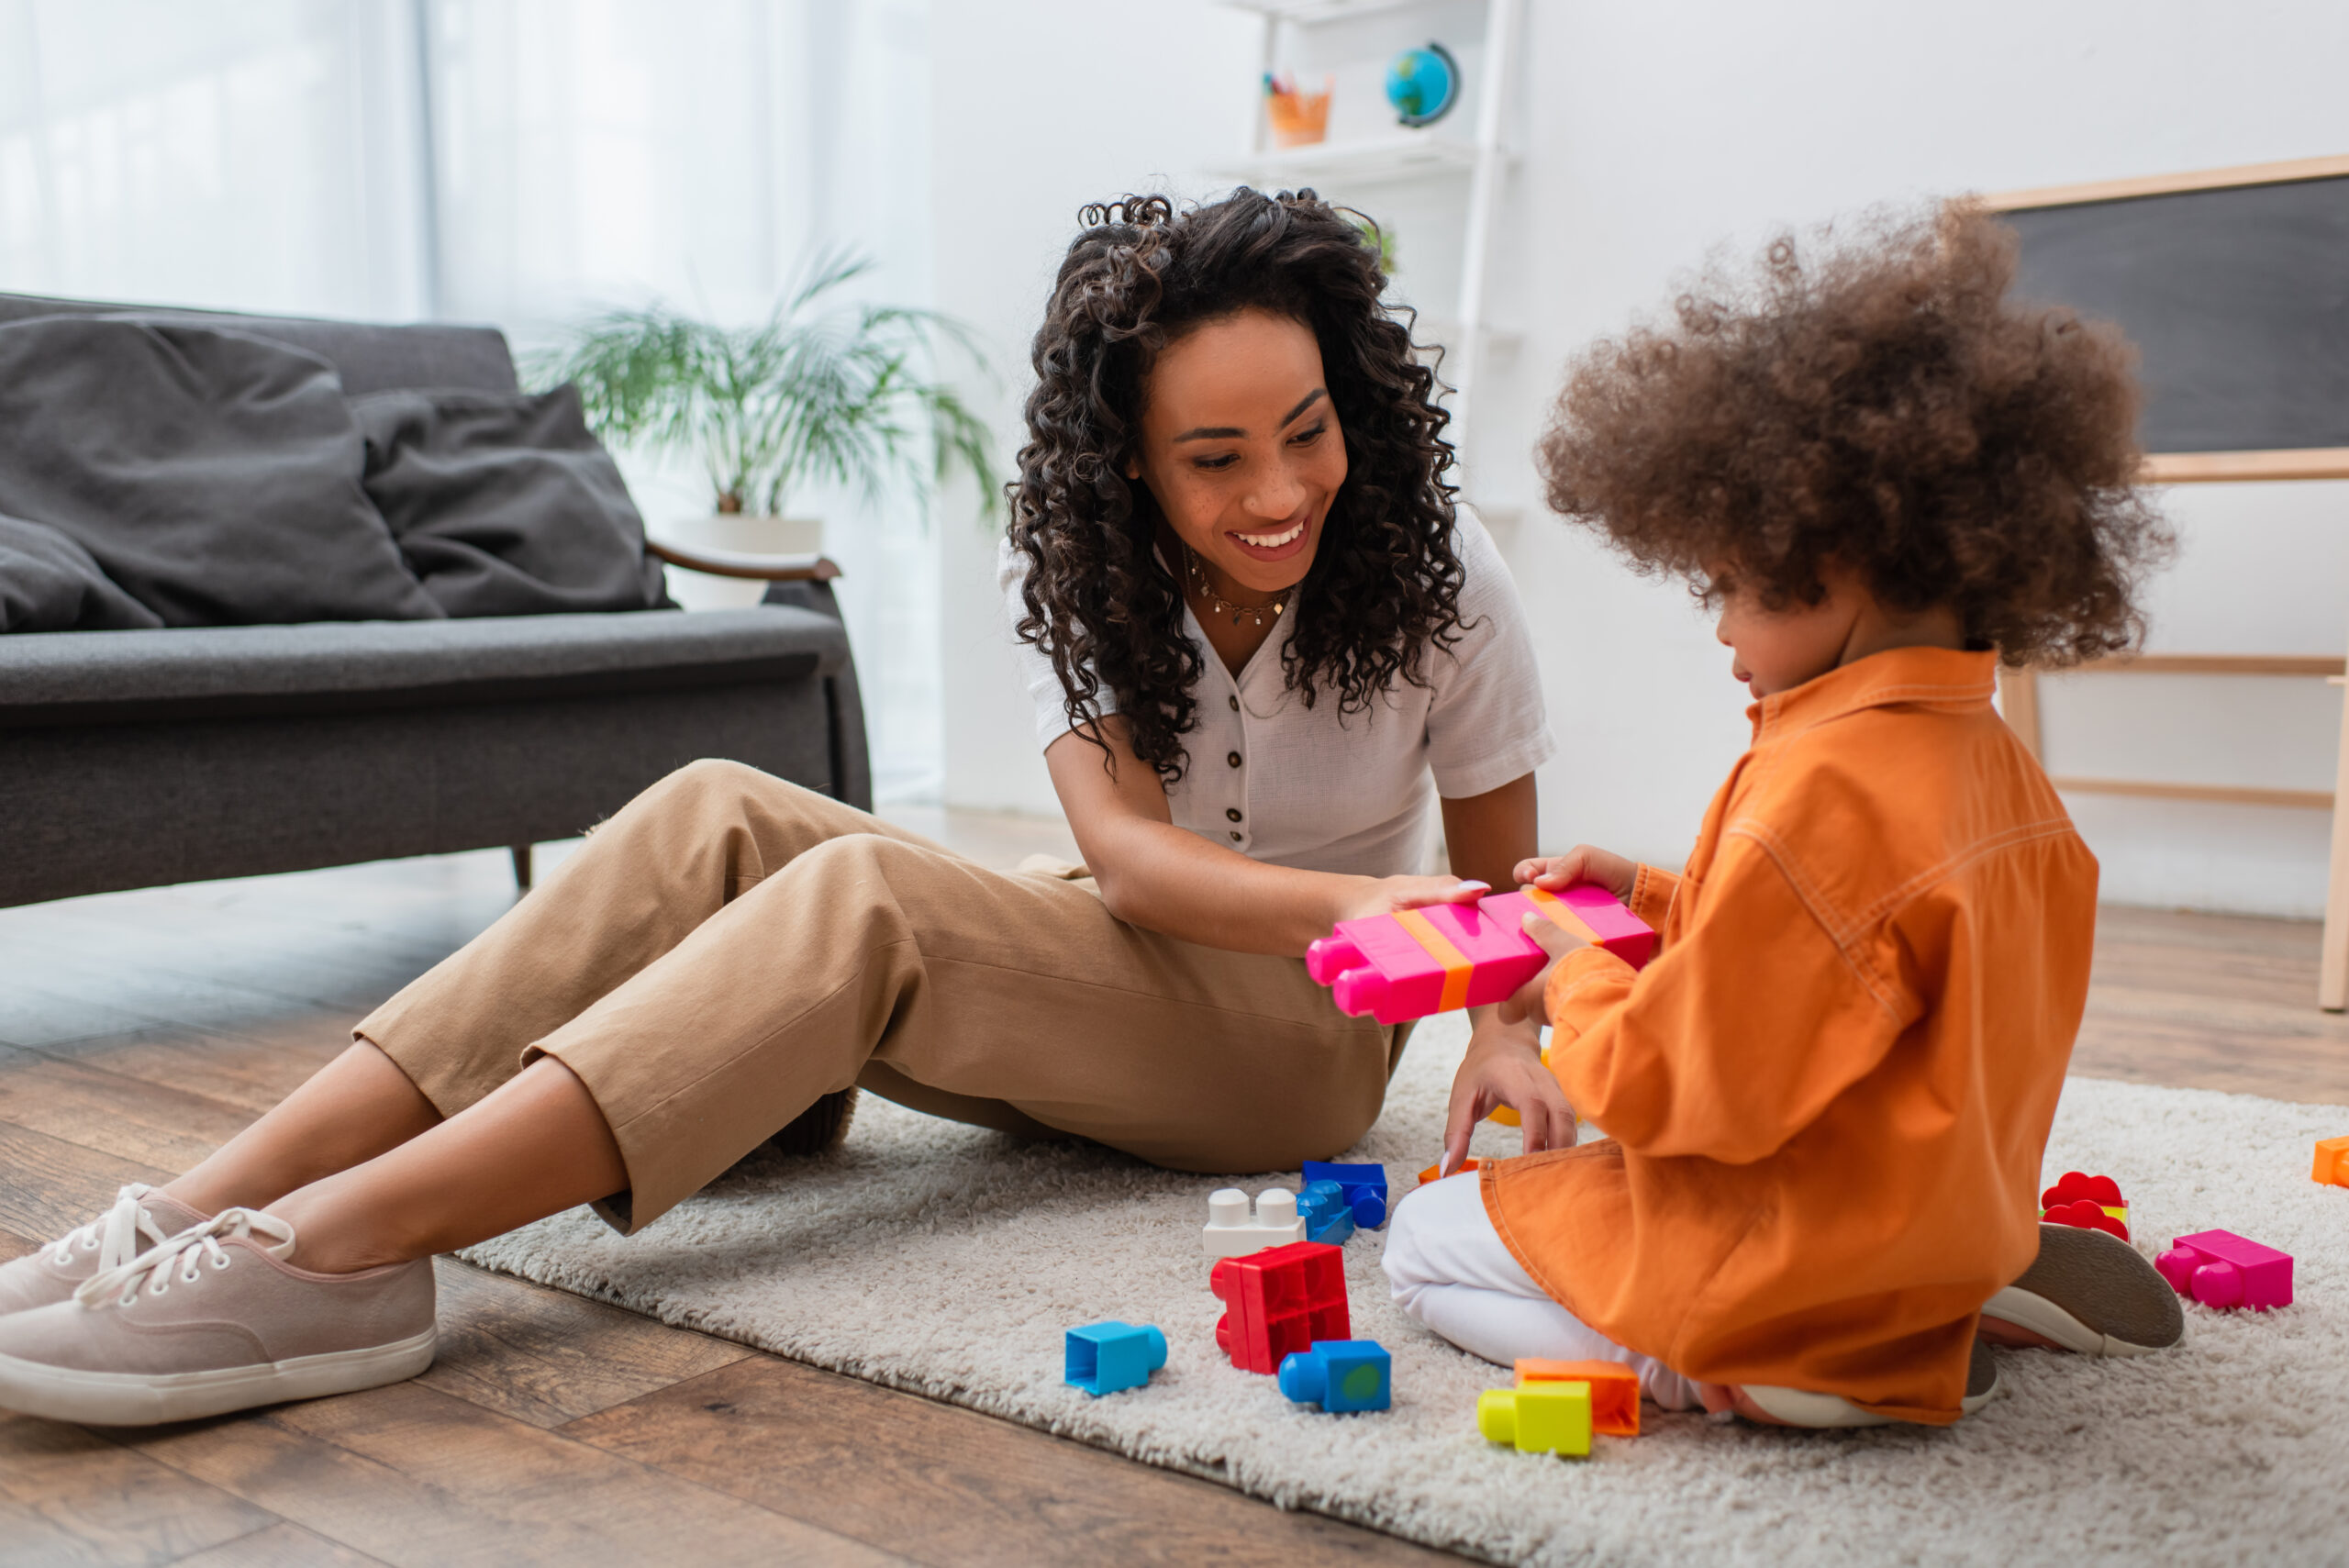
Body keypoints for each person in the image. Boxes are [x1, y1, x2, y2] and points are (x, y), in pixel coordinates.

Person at [0, 188, 1560, 1426]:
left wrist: (1499, 1034)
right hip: (1131, 957)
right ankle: (188, 1208)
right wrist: (1358, 898)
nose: (1279, 489)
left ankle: (339, 1249)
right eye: (1215, 457)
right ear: (1132, 471)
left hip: (1300, 1043)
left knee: (864, 905)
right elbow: (1130, 868)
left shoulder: (1439, 578)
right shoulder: (1086, 574)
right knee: (712, 811)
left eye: (1307, 429)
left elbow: (1508, 891)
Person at [1382, 204, 2186, 1429]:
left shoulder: (1816, 794)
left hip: (1788, 1252)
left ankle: (1756, 1358)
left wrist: (1576, 970)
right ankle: (1962, 1281)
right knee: (1620, 1199)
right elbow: (1824, 973)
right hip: (1936, 1209)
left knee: (1422, 1244)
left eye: (1730, 583)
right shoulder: (1997, 770)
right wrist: (1644, 895)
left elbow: (1679, 1088)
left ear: (1842, 555)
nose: (1719, 626)